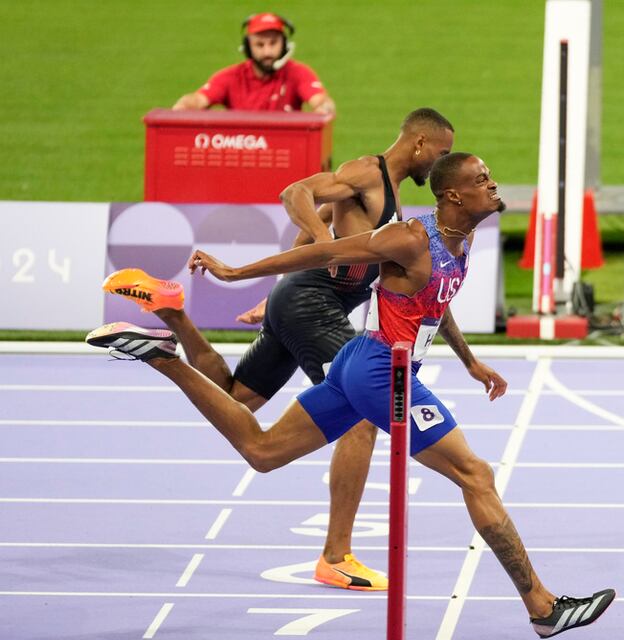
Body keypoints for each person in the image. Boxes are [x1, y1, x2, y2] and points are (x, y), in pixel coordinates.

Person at [87, 152, 615, 639]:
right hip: (380, 370)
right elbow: (324, 251)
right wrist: (235, 273)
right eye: (483, 179)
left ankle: (163, 357)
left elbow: (438, 299)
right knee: (475, 475)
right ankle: (543, 608)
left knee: (263, 452)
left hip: (360, 363)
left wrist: (469, 360)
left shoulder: (462, 236)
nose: (494, 185)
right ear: (454, 195)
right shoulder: (408, 238)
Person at [101, 109, 509, 593]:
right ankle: (336, 556)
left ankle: (172, 318)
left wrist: (277, 291)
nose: (441, 165)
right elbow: (296, 195)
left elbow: (430, 296)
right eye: (442, 153)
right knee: (361, 417)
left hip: (298, 299)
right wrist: (309, 245)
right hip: (314, 303)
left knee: (239, 404)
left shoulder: (404, 210)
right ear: (420, 143)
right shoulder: (368, 174)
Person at [173, 12, 336, 169]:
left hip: (286, 158)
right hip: (241, 161)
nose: (267, 52)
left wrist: (324, 108)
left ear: (284, 44)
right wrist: (185, 105)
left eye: (273, 43)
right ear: (248, 47)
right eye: (260, 45)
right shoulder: (230, 77)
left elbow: (321, 101)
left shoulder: (298, 73)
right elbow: (198, 100)